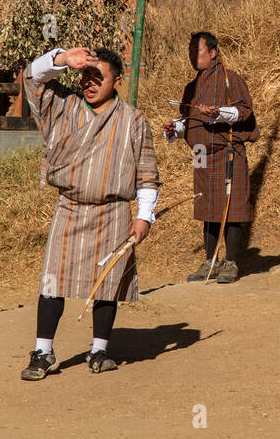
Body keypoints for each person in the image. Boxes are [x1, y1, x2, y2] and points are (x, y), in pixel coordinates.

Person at [21, 45, 160, 380]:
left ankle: (99, 350)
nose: (90, 82)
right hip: (70, 207)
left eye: (99, 76)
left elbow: (146, 173)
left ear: (117, 81)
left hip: (114, 212)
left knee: (107, 282)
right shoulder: (63, 105)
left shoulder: (133, 120)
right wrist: (60, 59)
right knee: (53, 280)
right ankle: (43, 351)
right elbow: (31, 79)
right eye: (86, 75)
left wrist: (144, 216)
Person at [163, 32, 257, 284]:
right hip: (201, 154)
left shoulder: (231, 80)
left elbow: (244, 111)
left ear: (213, 53)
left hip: (227, 152)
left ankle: (232, 262)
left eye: (198, 51)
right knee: (207, 207)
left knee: (231, 207)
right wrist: (176, 127)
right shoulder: (191, 87)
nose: (193, 56)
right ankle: (210, 261)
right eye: (191, 51)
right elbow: (188, 120)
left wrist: (219, 113)